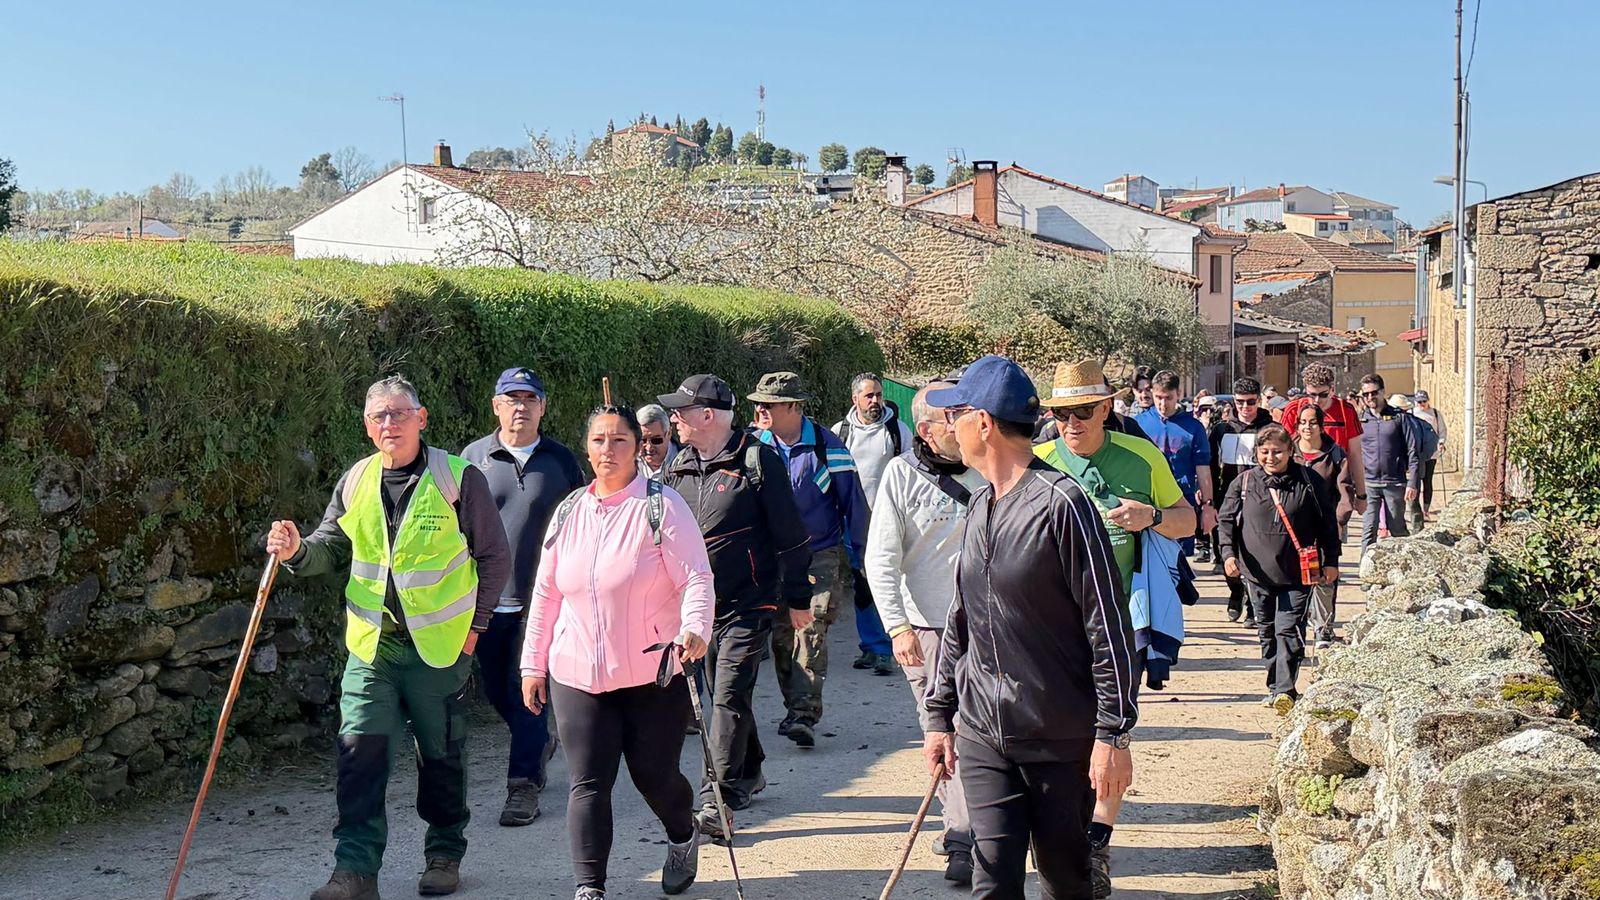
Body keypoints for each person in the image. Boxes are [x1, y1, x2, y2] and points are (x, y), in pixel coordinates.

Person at [267, 375, 512, 900]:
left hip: (441, 652)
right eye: (379, 415)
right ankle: (354, 871)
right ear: (367, 426)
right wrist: (295, 552)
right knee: (358, 755)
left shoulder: (457, 478)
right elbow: (330, 547)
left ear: (421, 419)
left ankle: (444, 853)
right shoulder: (355, 480)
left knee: (441, 758)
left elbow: (495, 557)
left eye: (399, 413)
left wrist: (475, 631)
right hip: (372, 649)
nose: (389, 423)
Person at [921, 355, 1137, 900]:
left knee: (1065, 883)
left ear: (983, 423)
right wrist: (940, 715)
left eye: (955, 414)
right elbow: (960, 619)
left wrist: (1113, 733)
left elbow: (1107, 625)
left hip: (1056, 736)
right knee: (991, 881)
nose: (949, 426)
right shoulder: (978, 505)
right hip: (983, 733)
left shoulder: (1063, 504)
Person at [520, 403, 715, 900]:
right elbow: (546, 593)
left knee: (655, 777)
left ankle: (682, 834)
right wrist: (532, 664)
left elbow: (696, 576)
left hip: (653, 672)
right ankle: (590, 888)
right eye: (599, 440)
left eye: (619, 440)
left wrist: (694, 628)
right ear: (587, 448)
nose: (608, 450)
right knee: (587, 782)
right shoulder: (569, 511)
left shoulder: (662, 506)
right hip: (577, 673)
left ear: (638, 448)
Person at [1034, 360, 1194, 897]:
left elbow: (1189, 521)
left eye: (1083, 411)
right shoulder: (1039, 463)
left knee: (1111, 735)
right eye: (1061, 414)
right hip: (1055, 632)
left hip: (1121, 627)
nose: (1071, 423)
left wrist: (1152, 517)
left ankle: (1097, 844)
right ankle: (1064, 839)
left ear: (1106, 408)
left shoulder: (1141, 456)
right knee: (1063, 742)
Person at [656, 374, 813, 838]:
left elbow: (792, 536)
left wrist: (798, 599)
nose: (674, 419)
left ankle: (717, 798)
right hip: (700, 610)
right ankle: (750, 768)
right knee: (726, 693)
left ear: (707, 415)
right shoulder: (679, 466)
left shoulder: (757, 461)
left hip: (751, 604)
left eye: (681, 411)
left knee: (726, 696)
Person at [864, 378, 986, 886]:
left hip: (991, 625)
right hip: (928, 627)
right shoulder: (901, 474)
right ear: (927, 429)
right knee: (945, 728)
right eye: (952, 417)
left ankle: (987, 827)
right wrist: (897, 627)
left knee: (987, 730)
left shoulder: (990, 466)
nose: (964, 424)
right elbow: (880, 559)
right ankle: (961, 836)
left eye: (966, 412)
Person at [460, 367, 585, 827]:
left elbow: (583, 523)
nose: (521, 407)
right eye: (511, 399)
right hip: (486, 603)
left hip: (544, 603)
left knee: (528, 693)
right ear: (496, 406)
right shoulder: (471, 459)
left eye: (530, 399)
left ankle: (523, 786)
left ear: (543, 407)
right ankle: (539, 743)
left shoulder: (561, 461)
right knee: (499, 692)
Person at [750, 371, 872, 746]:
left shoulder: (826, 446)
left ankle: (804, 713)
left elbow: (854, 504)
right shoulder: (753, 447)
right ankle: (795, 707)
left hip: (819, 553)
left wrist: (863, 561)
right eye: (758, 404)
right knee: (782, 637)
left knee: (810, 628)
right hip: (772, 557)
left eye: (768, 404)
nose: (760, 410)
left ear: (793, 406)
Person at [1218, 425, 1341, 711]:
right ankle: (1274, 686)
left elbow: (1327, 523)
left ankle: (1286, 690)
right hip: (1256, 573)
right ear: (1256, 453)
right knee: (1268, 630)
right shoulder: (1244, 483)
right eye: (1264, 452)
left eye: (1277, 452)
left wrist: (1332, 560)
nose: (1271, 457)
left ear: (1290, 451)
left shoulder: (1309, 481)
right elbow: (1226, 521)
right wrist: (1228, 555)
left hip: (1298, 572)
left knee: (1288, 628)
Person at [831, 372, 910, 675]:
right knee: (863, 584)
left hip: (889, 520)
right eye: (869, 396)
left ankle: (888, 648)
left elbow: (909, 473)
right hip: (854, 521)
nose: (875, 401)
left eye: (878, 394)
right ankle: (871, 646)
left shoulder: (897, 430)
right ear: (855, 399)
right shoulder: (840, 432)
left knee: (888, 581)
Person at [1209, 377, 1276, 625]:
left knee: (1254, 551)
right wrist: (1207, 498)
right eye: (1240, 402)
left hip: (1261, 500)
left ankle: (1252, 605)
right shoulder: (1221, 430)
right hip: (1227, 498)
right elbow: (1209, 466)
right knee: (1225, 548)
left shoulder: (1271, 429)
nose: (1245, 407)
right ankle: (1236, 592)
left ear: (1259, 400)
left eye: (1250, 402)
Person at [1292, 404, 1357, 649]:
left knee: (1324, 577)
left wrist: (1338, 522)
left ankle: (1323, 628)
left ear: (1321, 425)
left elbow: (1344, 492)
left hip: (1324, 527)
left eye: (1312, 422)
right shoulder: (1288, 451)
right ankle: (1295, 626)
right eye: (1303, 422)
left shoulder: (1335, 454)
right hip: (1292, 528)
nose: (1307, 427)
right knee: (1293, 578)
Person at [1281, 363, 1368, 539]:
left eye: (1323, 394)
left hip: (1333, 489)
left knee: (1331, 546)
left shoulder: (1345, 410)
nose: (1316, 401)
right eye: (1311, 395)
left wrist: (1361, 495)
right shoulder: (1294, 409)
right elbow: (1282, 450)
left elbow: (1355, 455)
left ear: (1332, 390)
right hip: (1299, 486)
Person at [1135, 370, 1217, 557]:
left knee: (1179, 560)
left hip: (1181, 502)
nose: (1163, 404)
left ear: (1178, 394)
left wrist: (1208, 506)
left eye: (1168, 398)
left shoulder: (1194, 427)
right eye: (1158, 398)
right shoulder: (1138, 424)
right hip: (1149, 501)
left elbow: (1203, 469)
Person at [1356, 374, 1422, 556]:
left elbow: (1413, 451)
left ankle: (1406, 567)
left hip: (1394, 482)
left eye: (1374, 393)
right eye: (1365, 394)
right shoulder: (1360, 420)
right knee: (1369, 530)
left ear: (1383, 392)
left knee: (1397, 529)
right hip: (1369, 484)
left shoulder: (1399, 417)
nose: (1370, 397)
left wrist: (1412, 483)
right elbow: (1353, 452)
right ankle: (1365, 571)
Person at [1410, 390, 1447, 518]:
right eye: (1419, 402)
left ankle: (1426, 509)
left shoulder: (1435, 414)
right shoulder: (1411, 413)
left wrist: (1441, 442)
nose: (1422, 404)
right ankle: (1416, 510)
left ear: (1428, 401)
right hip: (1416, 453)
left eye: (1424, 401)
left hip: (1431, 453)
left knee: (1427, 480)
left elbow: (1442, 430)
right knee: (1415, 481)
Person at [636, 403, 680, 480]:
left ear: (669, 433)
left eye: (656, 440)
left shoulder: (686, 463)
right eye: (643, 440)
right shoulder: (627, 463)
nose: (649, 448)